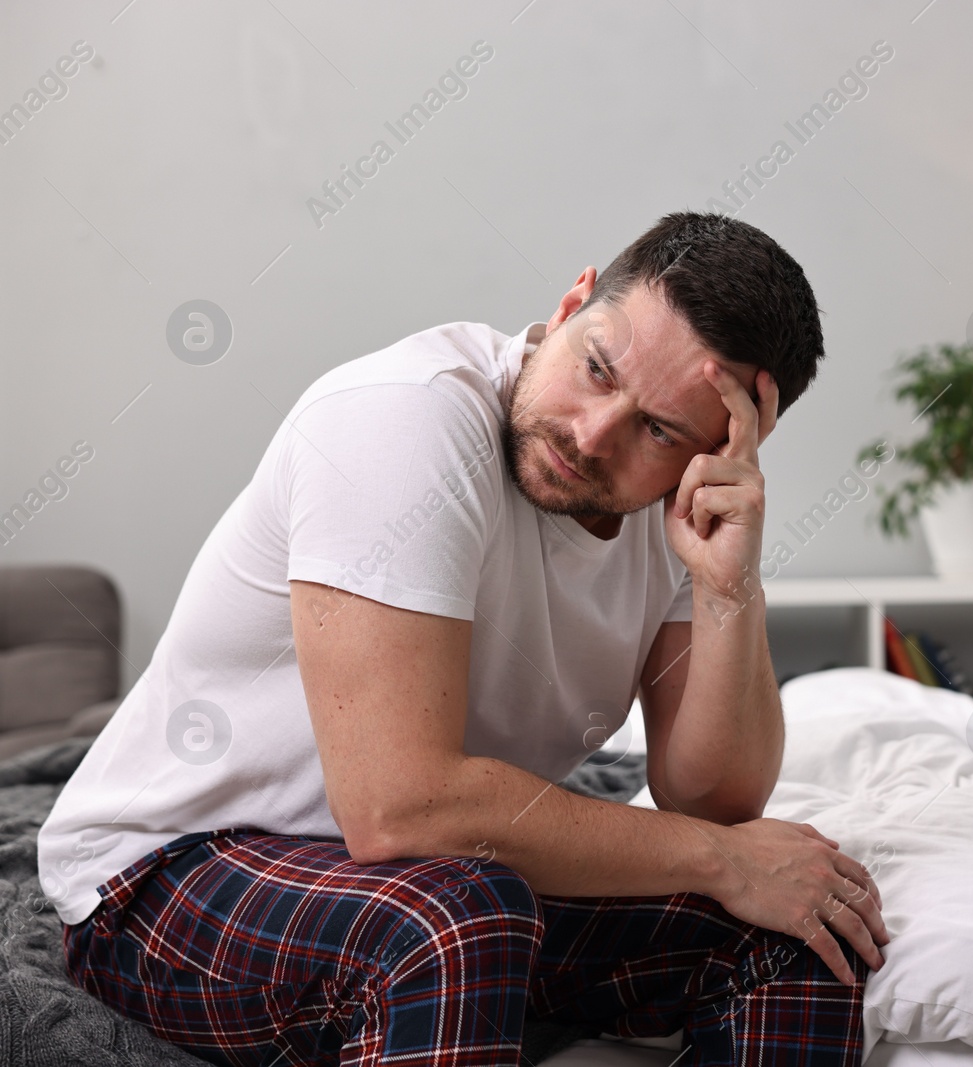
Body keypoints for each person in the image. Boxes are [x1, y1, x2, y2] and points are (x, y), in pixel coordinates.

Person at [38, 212, 889, 1067]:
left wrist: (727, 584)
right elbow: (398, 806)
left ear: (719, 449)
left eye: (661, 431)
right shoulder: (405, 418)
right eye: (597, 369)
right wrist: (717, 857)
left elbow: (713, 801)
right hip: (167, 875)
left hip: (437, 874)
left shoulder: (668, 516)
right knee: (456, 920)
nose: (594, 435)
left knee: (797, 928)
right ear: (570, 303)